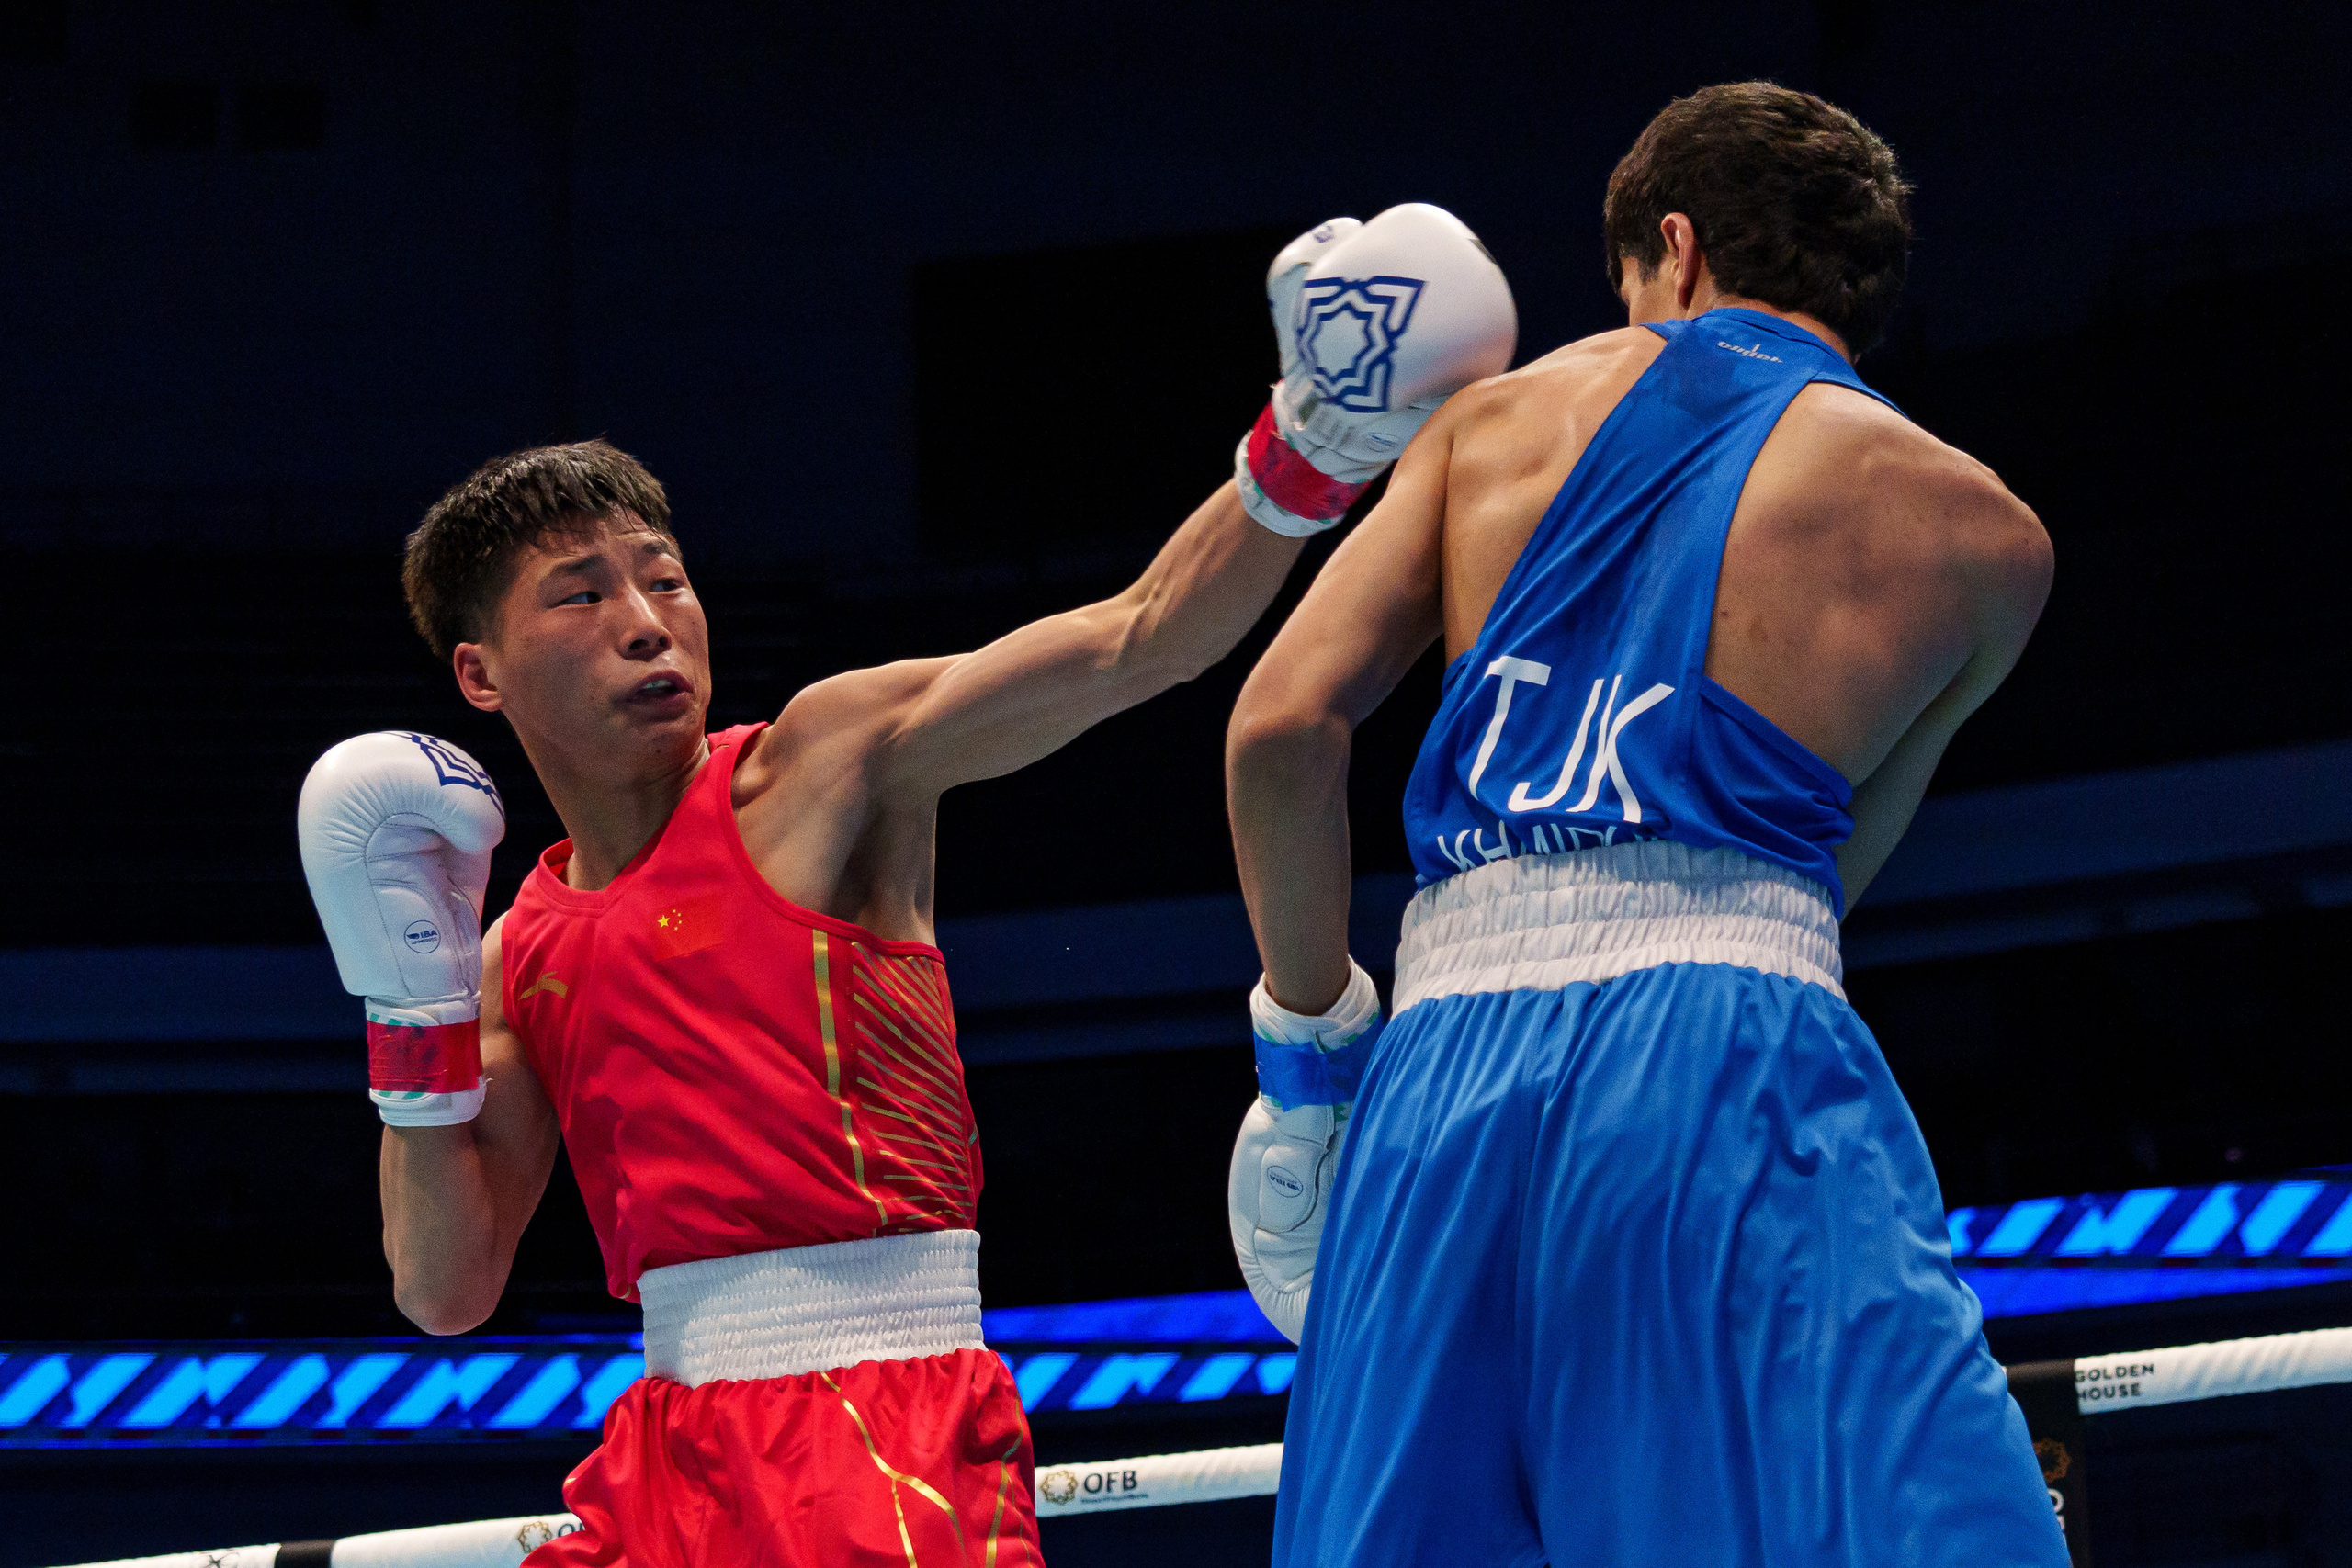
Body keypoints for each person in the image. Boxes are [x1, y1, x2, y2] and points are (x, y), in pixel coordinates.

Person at [294, 205, 1512, 1566]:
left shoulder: (825, 764)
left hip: (883, 1423)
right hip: (663, 1447)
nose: (647, 619)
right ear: (480, 676)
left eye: (666, 579)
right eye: (580, 597)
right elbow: (447, 1290)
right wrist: (410, 1007)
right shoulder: (518, 941)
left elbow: (1139, 640)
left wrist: (1311, 448)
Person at [1224, 84, 2066, 1565]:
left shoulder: (1495, 422)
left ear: (1672, 248)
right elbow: (1822, 876)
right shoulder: (1988, 541)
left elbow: (1281, 730)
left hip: (1442, 1070)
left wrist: (1311, 1060)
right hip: (1733, 1044)